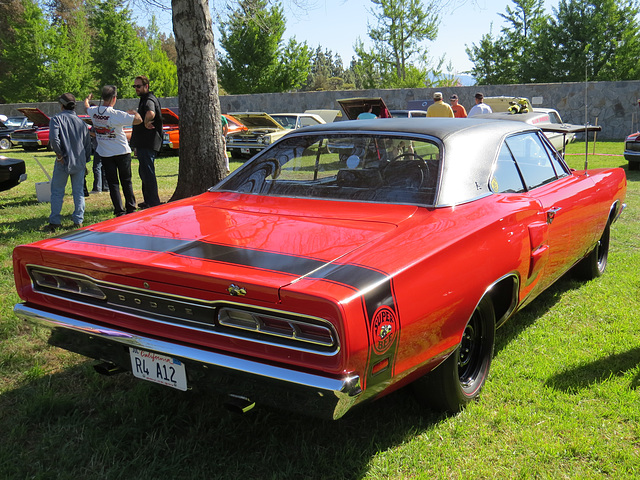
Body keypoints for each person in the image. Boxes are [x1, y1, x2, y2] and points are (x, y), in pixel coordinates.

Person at [84, 86, 142, 217]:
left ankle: (119, 210)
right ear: (114, 98)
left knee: (113, 183)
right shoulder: (117, 114)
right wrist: (134, 112)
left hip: (105, 153)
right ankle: (131, 207)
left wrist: (87, 99)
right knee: (126, 181)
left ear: (103, 97)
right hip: (122, 151)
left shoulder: (93, 111)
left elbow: (86, 107)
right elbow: (138, 121)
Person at [46, 93, 92, 231]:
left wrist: (59, 155)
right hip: (79, 161)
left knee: (57, 191)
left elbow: (54, 139)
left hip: (63, 161)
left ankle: (55, 221)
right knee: (78, 192)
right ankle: (78, 220)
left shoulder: (56, 119)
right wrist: (86, 161)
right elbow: (88, 145)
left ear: (62, 105)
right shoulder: (82, 123)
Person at [130, 75, 163, 209]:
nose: (136, 89)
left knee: (148, 172)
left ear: (146, 86)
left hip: (148, 142)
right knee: (144, 172)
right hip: (143, 143)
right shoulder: (144, 99)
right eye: (135, 86)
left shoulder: (149, 99)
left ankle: (153, 202)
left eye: (138, 86)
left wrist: (145, 121)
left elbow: (151, 113)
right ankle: (148, 200)